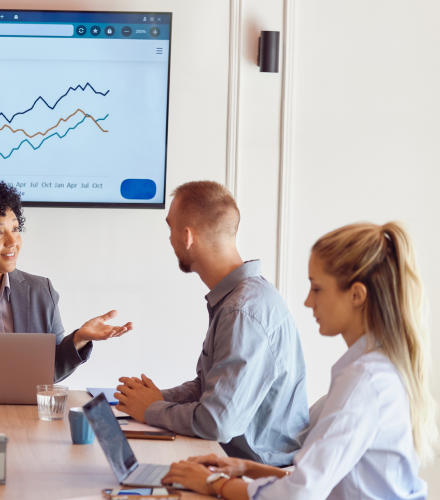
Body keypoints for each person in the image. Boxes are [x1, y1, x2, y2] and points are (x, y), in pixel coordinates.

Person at [163, 222, 438, 500]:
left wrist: (211, 483)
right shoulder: (372, 368)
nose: (308, 302)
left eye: (317, 288)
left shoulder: (363, 381)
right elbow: (337, 484)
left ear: (356, 295)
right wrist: (249, 470)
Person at [115, 180, 308, 465]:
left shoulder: (242, 312)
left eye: (170, 229)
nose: (169, 239)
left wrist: (152, 409)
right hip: (228, 459)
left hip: (253, 471)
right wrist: (152, 399)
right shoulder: (239, 299)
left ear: (188, 236)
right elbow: (210, 388)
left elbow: (218, 422)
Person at [0, 176, 132, 389]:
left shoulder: (41, 290)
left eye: (15, 229)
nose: (12, 241)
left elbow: (49, 371)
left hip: (26, 416)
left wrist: (78, 339)